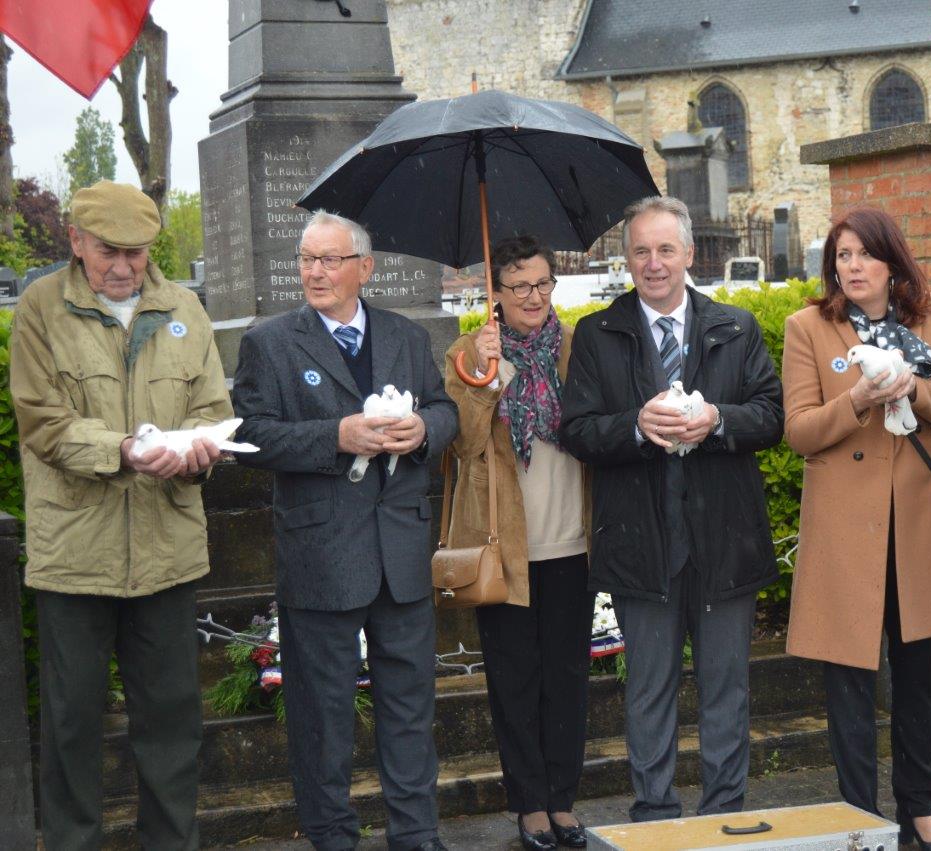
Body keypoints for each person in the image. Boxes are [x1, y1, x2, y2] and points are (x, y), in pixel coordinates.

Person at [9, 180, 233, 850]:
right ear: (75, 241)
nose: (125, 266)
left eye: (137, 253)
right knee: (72, 726)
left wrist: (197, 451)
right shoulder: (41, 310)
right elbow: (43, 423)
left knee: (171, 725)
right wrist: (125, 451)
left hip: (167, 552)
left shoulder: (184, 309)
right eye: (110, 250)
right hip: (76, 558)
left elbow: (214, 414)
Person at [231, 210, 458, 851]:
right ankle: (333, 836)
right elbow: (251, 435)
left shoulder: (407, 338)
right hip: (322, 556)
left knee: (410, 710)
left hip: (402, 555)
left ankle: (416, 834)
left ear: (365, 268)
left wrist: (424, 433)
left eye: (330, 260)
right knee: (322, 716)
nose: (315, 272)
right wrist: (338, 435)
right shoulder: (269, 343)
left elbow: (443, 410)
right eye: (307, 259)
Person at [560, 195, 784, 822]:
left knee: (726, 690)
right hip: (640, 542)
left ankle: (725, 814)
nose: (653, 263)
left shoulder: (736, 327)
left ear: (689, 253)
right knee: (649, 689)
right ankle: (654, 814)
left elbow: (773, 416)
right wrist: (634, 426)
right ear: (625, 259)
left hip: (724, 539)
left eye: (665, 249)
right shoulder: (599, 336)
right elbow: (577, 430)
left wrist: (717, 419)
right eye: (641, 251)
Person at [781, 207, 931, 850]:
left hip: (915, 525)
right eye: (842, 255)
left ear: (892, 261)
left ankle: (920, 810)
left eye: (865, 254)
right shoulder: (808, 326)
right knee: (849, 686)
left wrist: (910, 388)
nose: (853, 267)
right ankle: (858, 818)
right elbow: (799, 431)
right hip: (846, 534)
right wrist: (860, 399)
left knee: (918, 679)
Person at [444, 236, 593, 851]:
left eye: (542, 284)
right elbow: (463, 444)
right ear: (496, 295)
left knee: (568, 678)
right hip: (505, 546)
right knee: (514, 679)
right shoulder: (469, 353)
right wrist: (487, 376)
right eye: (519, 287)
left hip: (574, 540)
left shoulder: (579, 345)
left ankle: (562, 800)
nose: (533, 297)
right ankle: (529, 804)